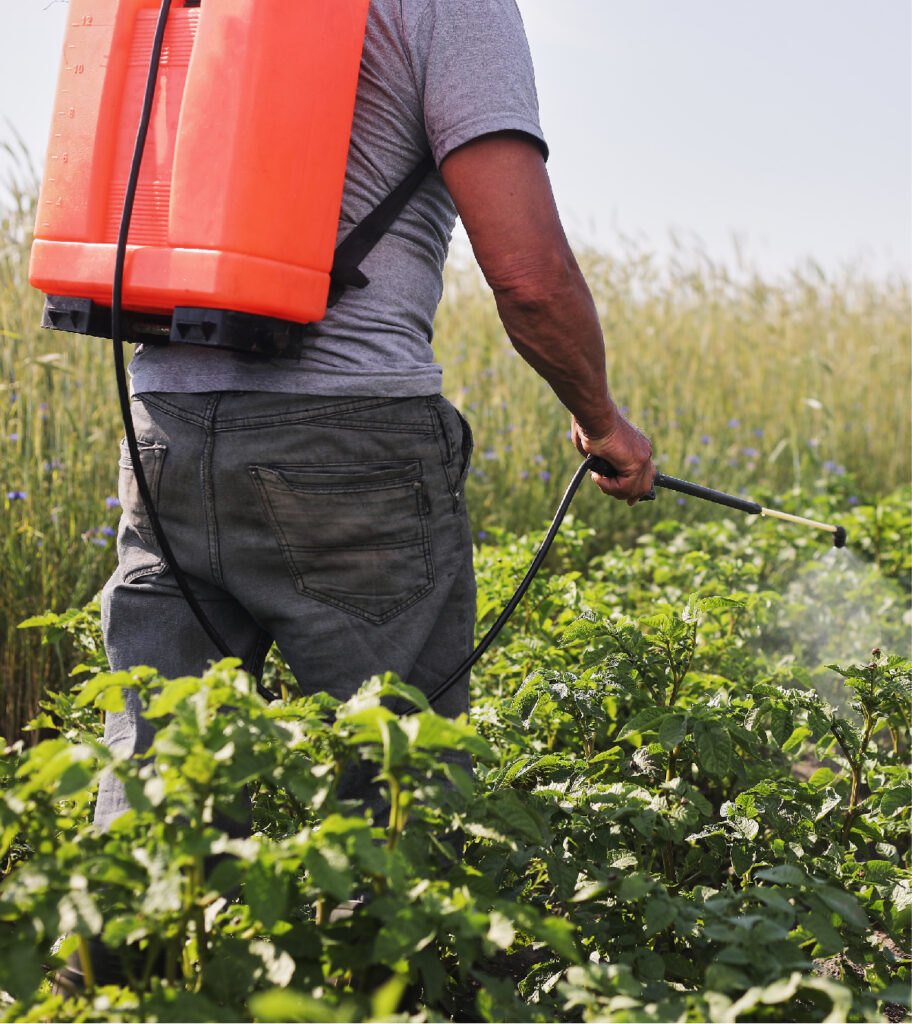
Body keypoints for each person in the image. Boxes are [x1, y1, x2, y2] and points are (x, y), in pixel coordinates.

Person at [93, 0, 656, 834]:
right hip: (349, 443)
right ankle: (371, 960)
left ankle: (116, 958)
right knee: (396, 797)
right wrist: (603, 421)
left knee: (157, 793)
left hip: (163, 425)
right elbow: (530, 278)